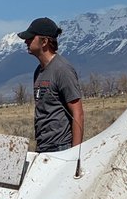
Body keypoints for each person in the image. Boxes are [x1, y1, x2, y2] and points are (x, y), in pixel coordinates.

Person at [17, 16, 84, 152]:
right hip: (43, 146)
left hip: (60, 147)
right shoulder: (38, 71)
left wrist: (74, 154)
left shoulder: (62, 70)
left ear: (44, 42)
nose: (26, 41)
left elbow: (78, 113)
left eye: (31, 38)